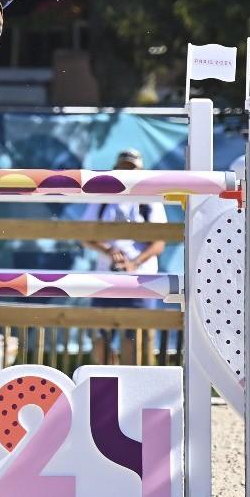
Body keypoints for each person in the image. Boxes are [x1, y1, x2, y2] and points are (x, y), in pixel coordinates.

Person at [84, 149, 166, 364]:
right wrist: (110, 252)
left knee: (136, 337)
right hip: (106, 275)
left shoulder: (150, 200)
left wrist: (134, 263)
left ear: (140, 172)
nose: (128, 174)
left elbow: (159, 243)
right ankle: (104, 381)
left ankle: (134, 384)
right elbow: (84, 235)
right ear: (115, 170)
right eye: (124, 169)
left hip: (141, 278)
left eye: (132, 169)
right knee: (101, 336)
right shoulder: (103, 198)